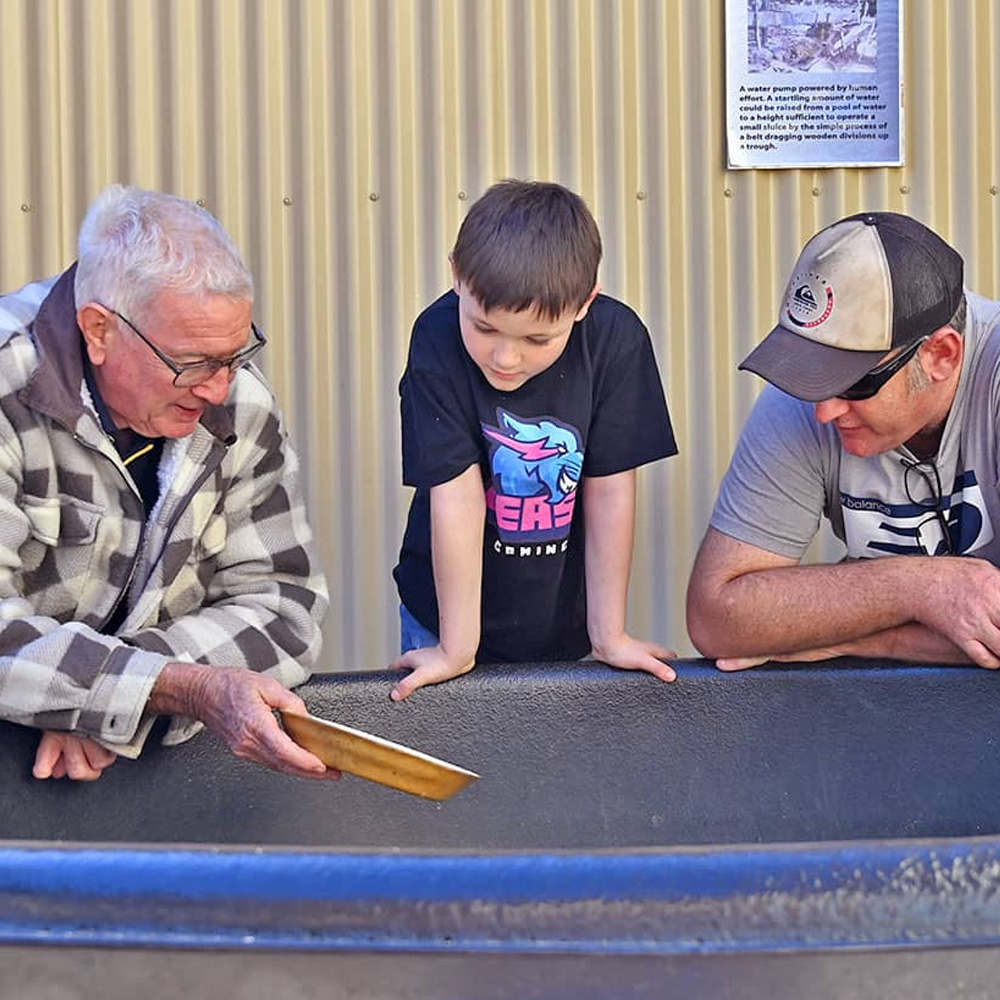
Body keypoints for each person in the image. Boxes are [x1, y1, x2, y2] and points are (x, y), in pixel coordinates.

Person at [0, 184, 335, 782]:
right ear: (99, 330)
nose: (218, 389)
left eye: (236, 354)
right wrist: (177, 689)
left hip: (127, 771)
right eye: (193, 363)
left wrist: (104, 701)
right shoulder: (7, 388)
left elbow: (286, 608)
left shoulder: (240, 401)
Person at [390, 179, 678, 701]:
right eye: (483, 327)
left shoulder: (616, 339)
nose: (505, 358)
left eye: (537, 339)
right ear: (457, 274)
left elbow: (610, 489)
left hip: (563, 617)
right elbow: (456, 496)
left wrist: (608, 635)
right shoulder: (434, 338)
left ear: (584, 303)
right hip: (443, 617)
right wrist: (457, 648)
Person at [686, 210, 1000, 671]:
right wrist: (921, 588)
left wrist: (860, 637)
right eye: (811, 372)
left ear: (940, 355)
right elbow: (716, 618)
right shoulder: (802, 399)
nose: (824, 409)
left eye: (853, 381)